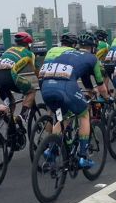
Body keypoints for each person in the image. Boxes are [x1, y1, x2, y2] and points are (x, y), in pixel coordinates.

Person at [39, 32, 109, 168]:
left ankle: (51, 149)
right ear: (93, 47)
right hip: (65, 88)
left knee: (65, 117)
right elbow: (101, 85)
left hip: (46, 87)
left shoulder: (64, 53)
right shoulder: (92, 58)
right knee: (84, 114)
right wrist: (107, 97)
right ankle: (83, 156)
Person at [0, 31, 38, 121]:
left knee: (11, 102)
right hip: (8, 76)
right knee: (31, 91)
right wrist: (42, 82)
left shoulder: (9, 50)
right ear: (29, 44)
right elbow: (37, 72)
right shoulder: (29, 53)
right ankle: (22, 117)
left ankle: (10, 125)